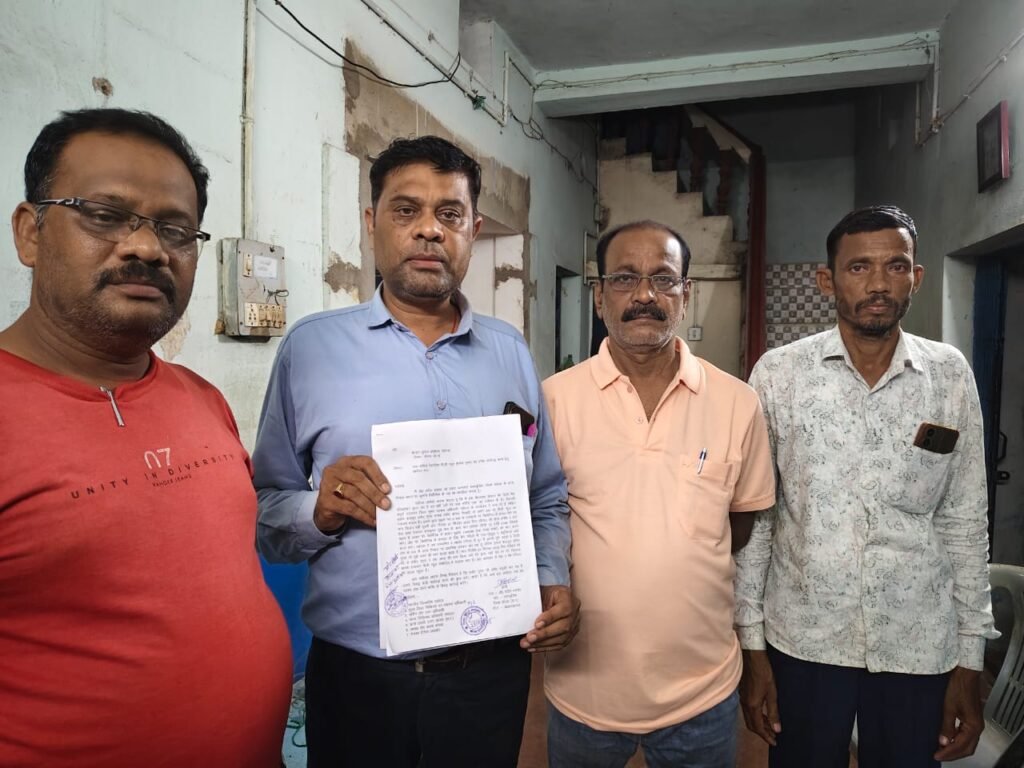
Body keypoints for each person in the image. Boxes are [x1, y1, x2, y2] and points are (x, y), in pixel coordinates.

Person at [253, 135, 578, 768]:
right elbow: (266, 515)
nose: (429, 229)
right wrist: (320, 509)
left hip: (489, 675)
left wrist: (551, 575)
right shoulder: (310, 351)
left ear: (473, 231)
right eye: (406, 210)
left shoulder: (510, 351)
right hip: (357, 679)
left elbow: (544, 494)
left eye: (449, 214)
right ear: (372, 222)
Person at [0, 108, 292, 767]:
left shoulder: (202, 399)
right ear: (30, 232)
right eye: (105, 215)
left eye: (175, 229)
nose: (146, 247)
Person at [735, 205, 998, 768]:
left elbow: (964, 519)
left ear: (916, 277)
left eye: (895, 266)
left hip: (917, 642)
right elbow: (759, 519)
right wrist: (751, 645)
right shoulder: (779, 375)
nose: (879, 284)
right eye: (859, 268)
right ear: (827, 280)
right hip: (804, 638)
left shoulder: (949, 374)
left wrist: (970, 657)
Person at [542, 220, 776, 767]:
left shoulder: (737, 403)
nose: (644, 295)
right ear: (599, 296)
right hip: (582, 695)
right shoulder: (553, 401)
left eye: (663, 279)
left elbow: (739, 525)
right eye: (625, 278)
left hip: (703, 695)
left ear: (686, 294)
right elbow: (536, 520)